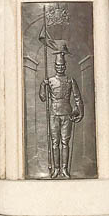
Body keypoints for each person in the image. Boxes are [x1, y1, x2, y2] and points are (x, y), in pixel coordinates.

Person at [38, 43, 83, 178]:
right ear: (54, 66)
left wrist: (80, 112)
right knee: (55, 142)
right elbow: (43, 98)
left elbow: (77, 98)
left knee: (65, 142)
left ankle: (64, 169)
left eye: (62, 66)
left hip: (67, 114)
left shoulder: (70, 81)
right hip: (54, 114)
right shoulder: (50, 81)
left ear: (65, 66)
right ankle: (56, 169)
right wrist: (42, 86)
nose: (60, 68)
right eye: (58, 66)